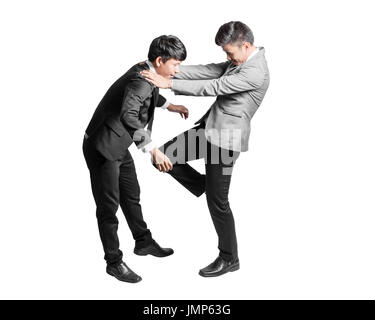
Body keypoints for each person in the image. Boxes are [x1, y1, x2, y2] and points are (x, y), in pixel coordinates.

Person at [141, 21, 270, 277]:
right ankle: (205, 186)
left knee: (218, 204)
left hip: (227, 141)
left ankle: (229, 257)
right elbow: (209, 71)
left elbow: (214, 86)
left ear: (246, 46)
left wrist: (169, 85)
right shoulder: (239, 60)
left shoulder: (256, 71)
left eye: (230, 52)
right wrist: (170, 70)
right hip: (209, 130)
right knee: (162, 158)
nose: (227, 57)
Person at [83, 35, 189, 283]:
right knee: (108, 207)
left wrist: (170, 106)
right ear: (160, 60)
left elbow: (148, 94)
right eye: (175, 64)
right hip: (102, 147)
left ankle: (143, 242)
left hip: (119, 144)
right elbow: (130, 115)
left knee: (131, 194)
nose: (177, 70)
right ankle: (114, 262)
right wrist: (153, 150)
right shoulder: (141, 80)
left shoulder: (147, 70)